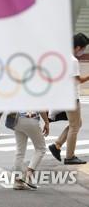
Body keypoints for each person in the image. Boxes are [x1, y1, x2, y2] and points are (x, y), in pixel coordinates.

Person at [49, 33, 89, 165]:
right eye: (83, 48)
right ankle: (69, 156)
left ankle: (57, 145)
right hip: (71, 97)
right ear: (78, 47)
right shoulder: (72, 60)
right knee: (74, 126)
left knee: (77, 124)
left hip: (64, 94)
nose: (83, 51)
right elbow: (78, 80)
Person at [13, 111, 49, 190]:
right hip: (30, 119)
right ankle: (28, 175)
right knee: (41, 148)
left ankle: (18, 182)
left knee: (20, 152)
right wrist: (46, 122)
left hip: (17, 119)